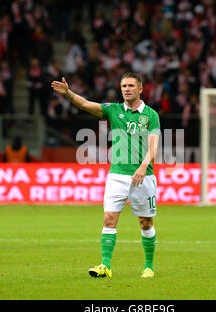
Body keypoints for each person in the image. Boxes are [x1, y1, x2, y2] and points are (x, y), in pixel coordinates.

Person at [51, 72, 160, 278]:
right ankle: (105, 266)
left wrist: (143, 165)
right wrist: (68, 94)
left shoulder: (151, 115)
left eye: (130, 85)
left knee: (146, 223)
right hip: (117, 175)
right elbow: (84, 104)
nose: (126, 89)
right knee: (109, 219)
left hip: (143, 177)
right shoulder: (113, 110)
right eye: (123, 86)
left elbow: (154, 146)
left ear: (140, 88)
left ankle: (148, 266)